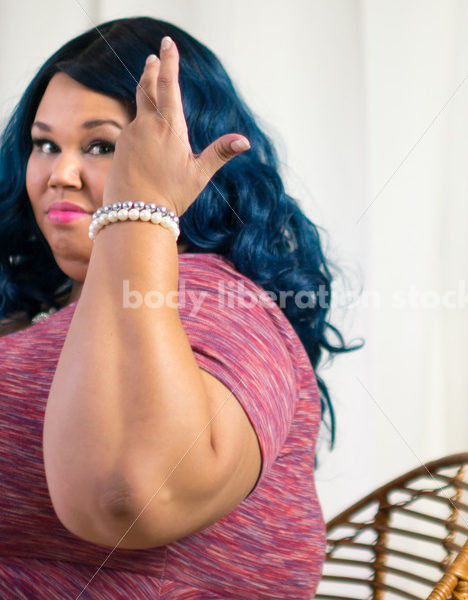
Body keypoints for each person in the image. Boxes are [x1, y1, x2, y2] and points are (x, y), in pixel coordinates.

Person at [0, 16, 360, 599]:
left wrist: (139, 209)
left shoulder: (216, 301)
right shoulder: (65, 303)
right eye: (45, 144)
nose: (58, 174)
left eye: (101, 146)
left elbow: (135, 498)